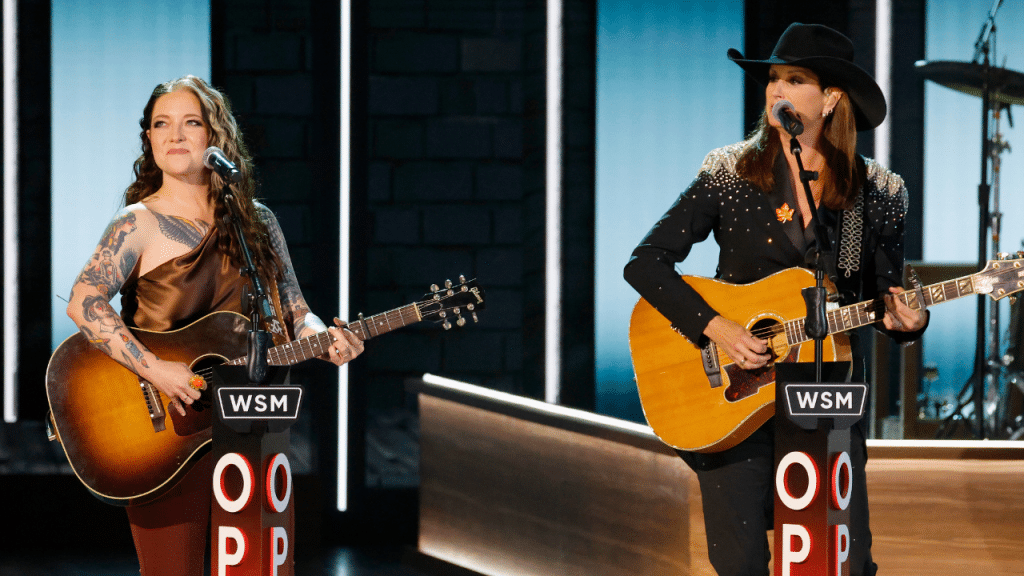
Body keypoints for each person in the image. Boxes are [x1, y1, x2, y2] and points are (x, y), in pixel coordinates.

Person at [623, 23, 928, 576]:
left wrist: (909, 320)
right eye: (772, 79)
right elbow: (644, 264)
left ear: (831, 97)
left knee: (841, 560)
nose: (775, 91)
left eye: (794, 79)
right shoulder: (731, 173)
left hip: (828, 395)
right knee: (740, 563)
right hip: (735, 392)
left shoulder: (878, 192)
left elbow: (883, 298)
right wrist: (716, 327)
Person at [65, 75, 364, 576]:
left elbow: (295, 311)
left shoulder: (258, 223)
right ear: (150, 141)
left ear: (214, 139)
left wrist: (323, 338)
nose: (174, 134)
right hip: (164, 431)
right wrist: (156, 369)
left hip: (251, 423)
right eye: (162, 124)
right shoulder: (136, 224)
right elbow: (83, 301)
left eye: (190, 123)